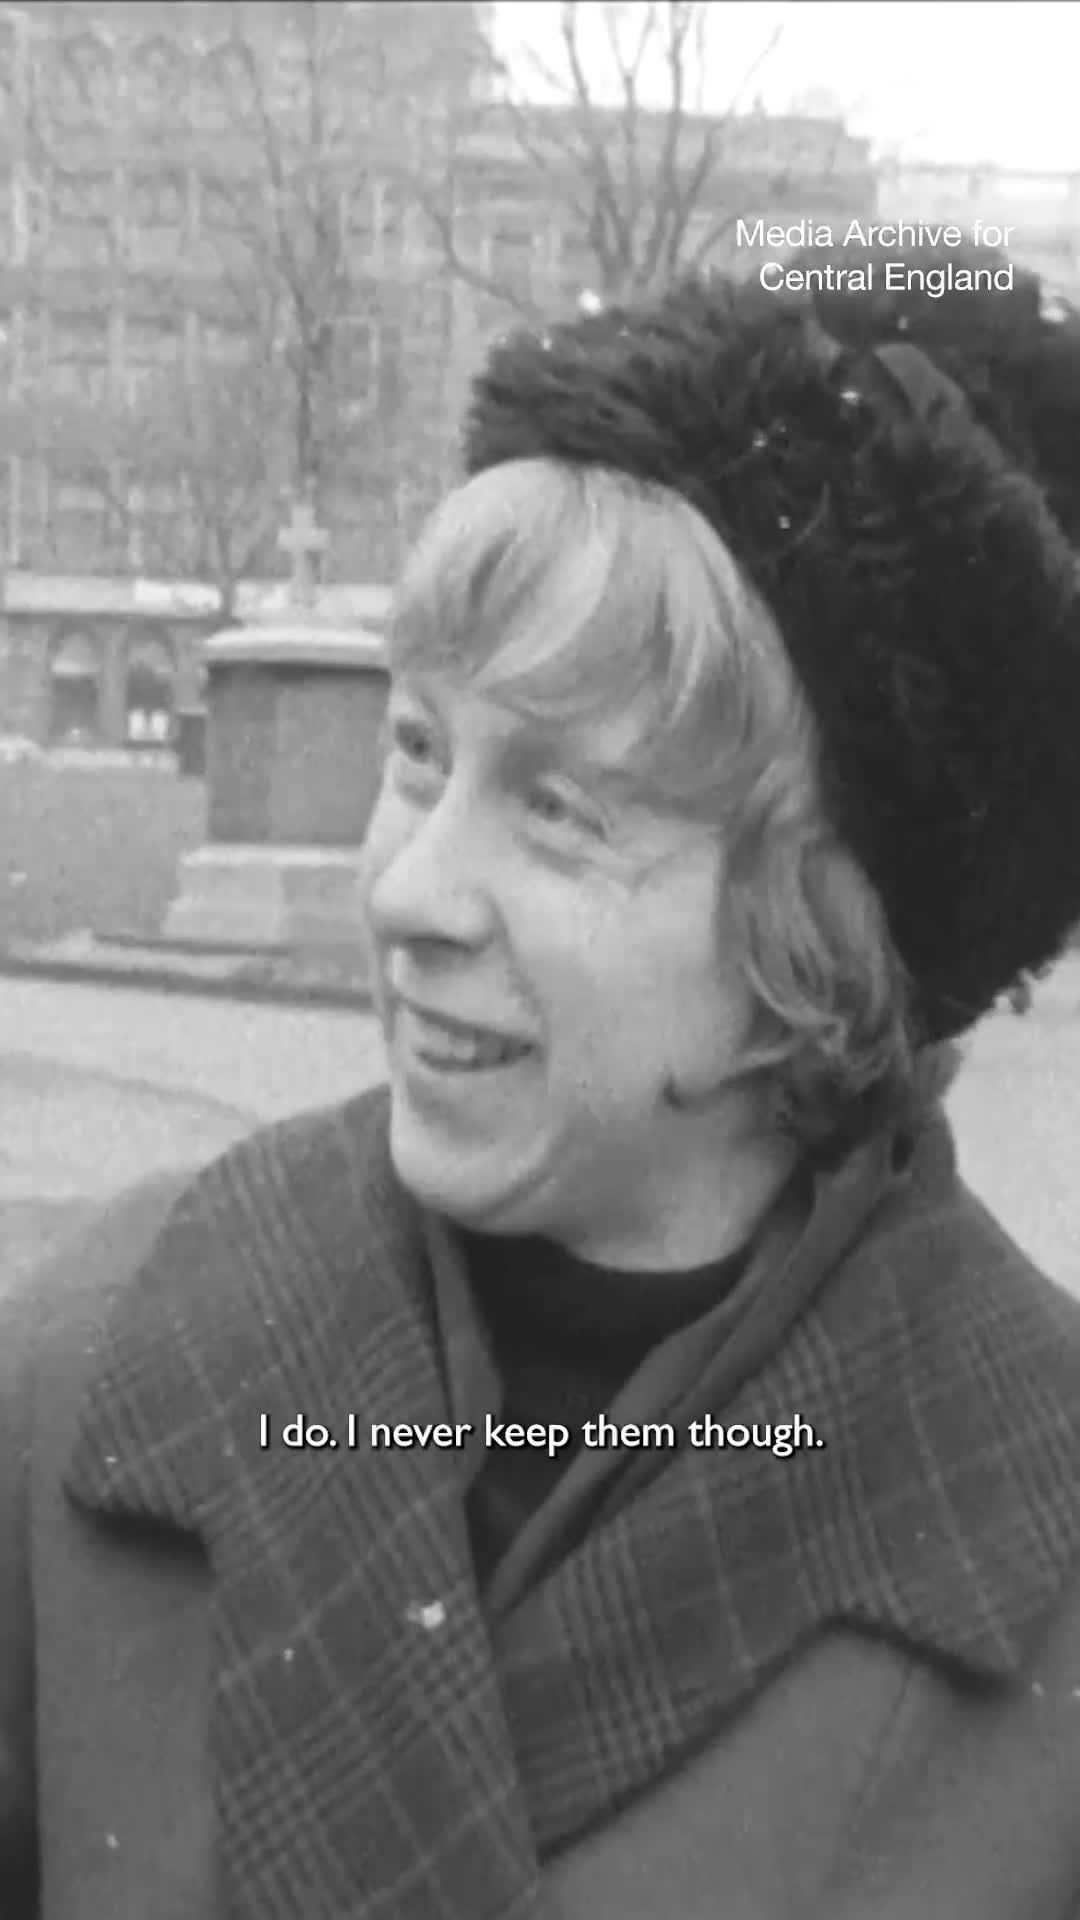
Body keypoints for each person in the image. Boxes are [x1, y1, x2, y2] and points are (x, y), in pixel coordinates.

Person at [4, 259, 1080, 1920]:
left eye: (562, 810)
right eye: (418, 751)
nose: (408, 891)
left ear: (822, 941)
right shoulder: (94, 1356)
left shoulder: (1034, 1536)